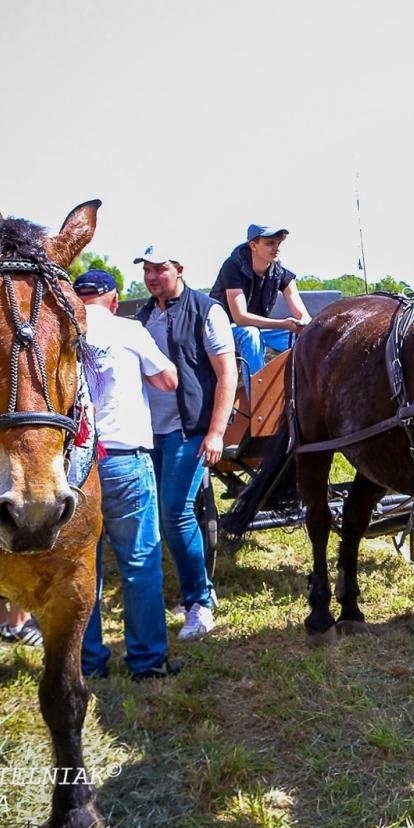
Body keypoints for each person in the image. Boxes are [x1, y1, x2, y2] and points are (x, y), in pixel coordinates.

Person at [74, 268, 184, 680]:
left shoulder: (61, 328)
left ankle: (87, 662)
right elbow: (168, 380)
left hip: (75, 464)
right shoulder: (128, 330)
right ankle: (147, 661)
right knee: (139, 561)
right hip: (123, 457)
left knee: (83, 566)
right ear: (115, 300)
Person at [133, 245, 237, 641]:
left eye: (160, 269)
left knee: (175, 514)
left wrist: (216, 432)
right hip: (149, 432)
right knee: (166, 516)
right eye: (147, 270)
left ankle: (200, 602)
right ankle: (194, 591)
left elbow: (227, 374)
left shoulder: (207, 311)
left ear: (179, 268)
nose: (152, 277)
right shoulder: (143, 317)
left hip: (188, 430)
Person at [209, 223, 312, 377]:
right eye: (270, 243)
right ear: (253, 245)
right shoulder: (232, 267)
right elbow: (240, 318)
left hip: (261, 330)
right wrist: (283, 324)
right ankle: (257, 391)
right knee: (250, 334)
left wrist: (306, 327)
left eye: (278, 243)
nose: (276, 248)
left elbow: (303, 315)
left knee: (306, 339)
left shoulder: (280, 273)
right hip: (225, 330)